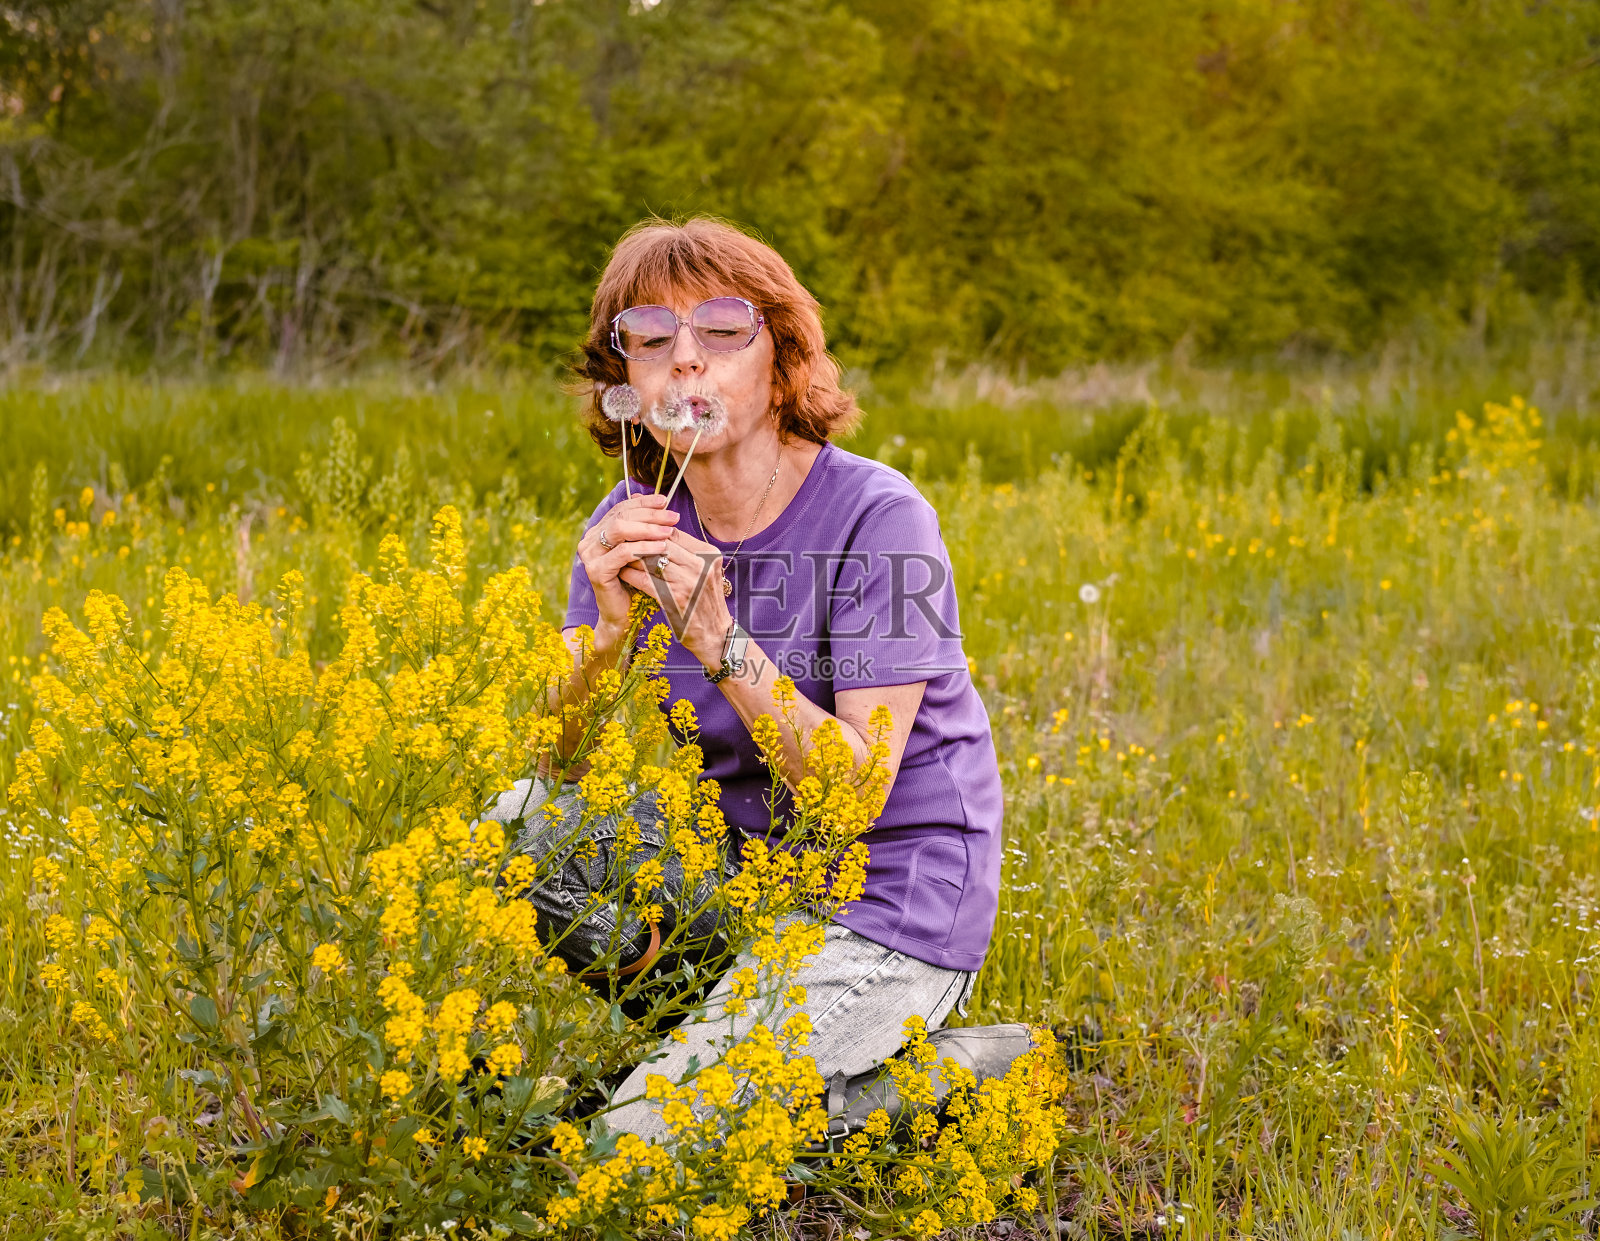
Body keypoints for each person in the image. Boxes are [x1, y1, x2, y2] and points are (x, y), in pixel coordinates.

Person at [533, 216, 1003, 1144]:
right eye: (652, 341)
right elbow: (552, 767)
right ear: (623, 380)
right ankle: (733, 1052)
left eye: (720, 331)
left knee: (628, 1144)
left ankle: (921, 1072)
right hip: (751, 892)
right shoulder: (633, 517)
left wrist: (720, 638)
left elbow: (858, 792)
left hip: (888, 902)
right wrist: (603, 640)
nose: (686, 364)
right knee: (522, 828)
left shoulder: (881, 517)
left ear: (782, 358)